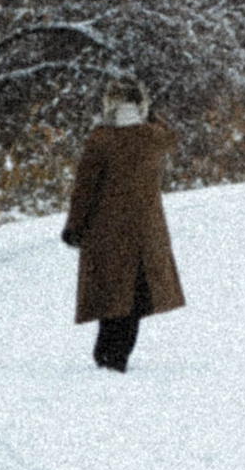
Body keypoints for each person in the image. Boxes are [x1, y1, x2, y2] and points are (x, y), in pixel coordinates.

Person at [62, 75, 184, 371]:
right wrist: (150, 113)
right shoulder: (152, 136)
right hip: (145, 233)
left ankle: (106, 355)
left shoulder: (101, 139)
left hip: (106, 232)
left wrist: (74, 227)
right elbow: (170, 136)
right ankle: (118, 356)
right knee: (135, 298)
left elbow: (84, 189)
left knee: (112, 297)